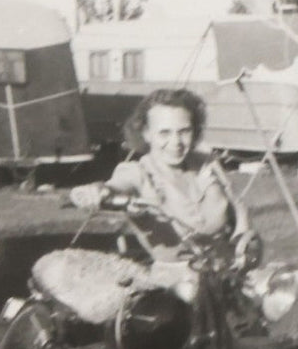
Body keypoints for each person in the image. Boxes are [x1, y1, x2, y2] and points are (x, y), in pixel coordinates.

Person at [69, 87, 234, 257]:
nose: (176, 142)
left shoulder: (205, 163)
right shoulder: (138, 173)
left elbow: (238, 210)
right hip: (175, 278)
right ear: (146, 134)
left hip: (227, 270)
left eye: (184, 131)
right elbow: (115, 186)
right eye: (164, 133)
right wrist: (96, 191)